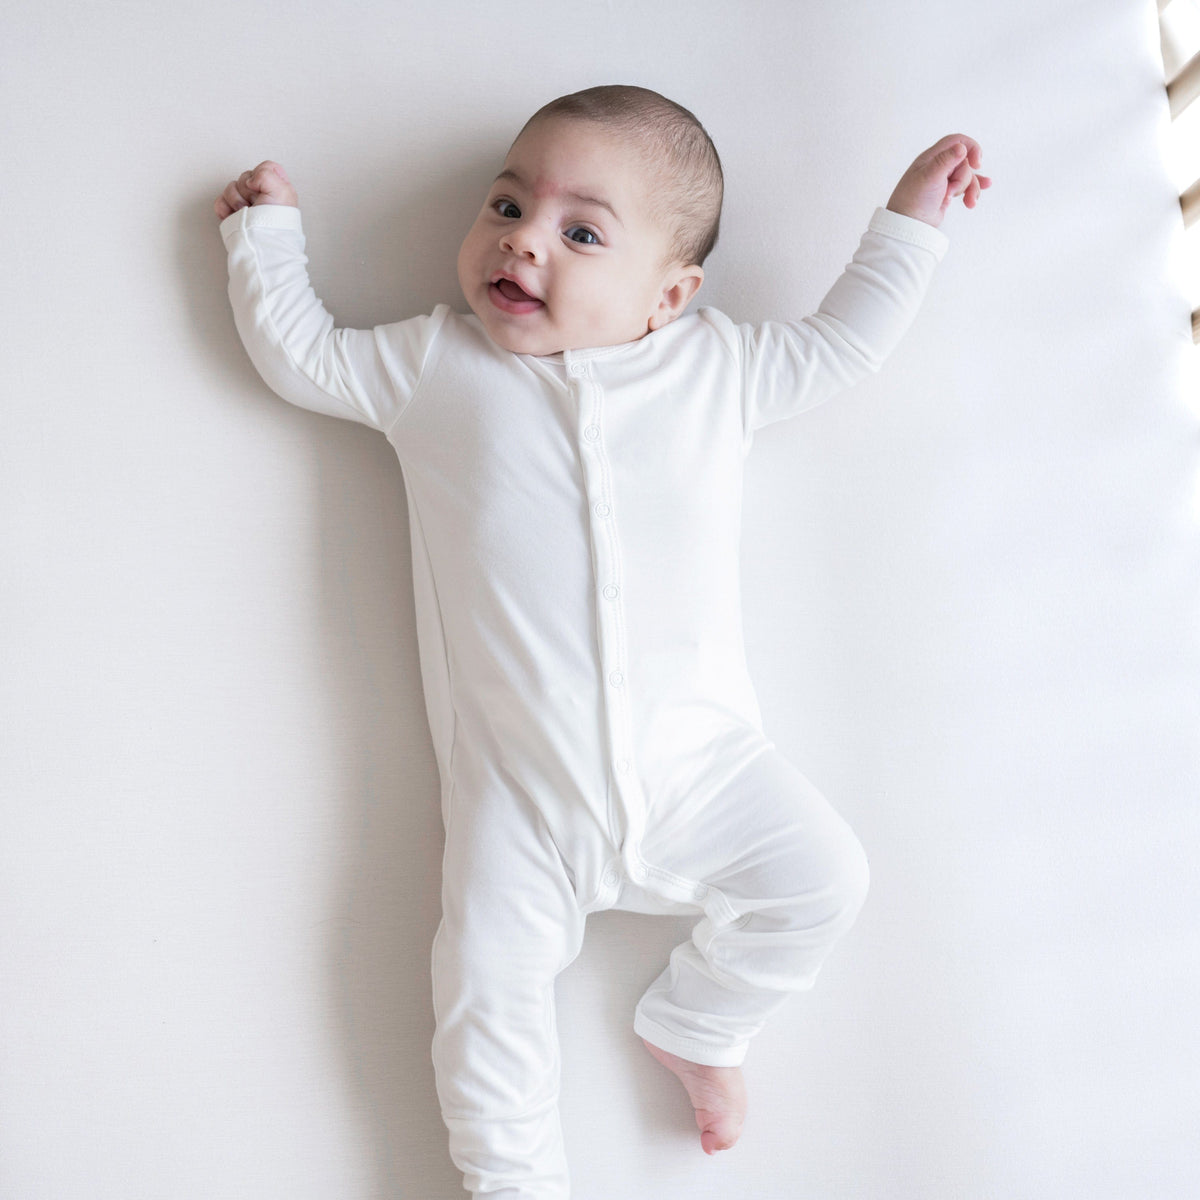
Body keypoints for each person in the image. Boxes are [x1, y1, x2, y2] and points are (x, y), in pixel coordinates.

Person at [214, 84, 989, 1200]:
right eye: (506, 205)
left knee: (826, 879)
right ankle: (513, 1187)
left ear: (671, 294)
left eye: (581, 232)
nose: (523, 239)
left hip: (707, 770)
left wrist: (911, 222)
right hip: (521, 802)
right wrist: (266, 237)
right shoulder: (435, 367)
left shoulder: (717, 369)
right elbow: (302, 356)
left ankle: (700, 1020)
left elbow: (844, 346)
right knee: (483, 995)